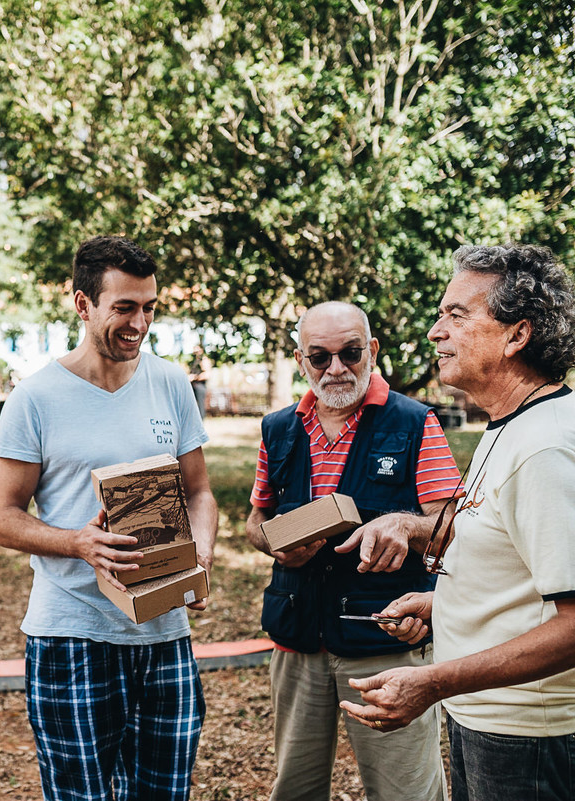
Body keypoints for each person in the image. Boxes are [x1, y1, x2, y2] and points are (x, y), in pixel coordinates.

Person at [340, 244, 575, 801]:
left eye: (456, 314)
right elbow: (511, 559)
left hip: (527, 735)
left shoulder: (544, 446)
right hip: (488, 718)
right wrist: (440, 606)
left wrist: (431, 681)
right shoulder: (510, 425)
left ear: (516, 335)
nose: (434, 331)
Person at [0, 235, 218, 801]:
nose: (139, 324)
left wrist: (201, 557)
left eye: (149, 308)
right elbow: (3, 518)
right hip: (72, 635)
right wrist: (78, 544)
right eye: (124, 308)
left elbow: (201, 493)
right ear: (82, 304)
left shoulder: (169, 383)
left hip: (165, 634)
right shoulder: (35, 398)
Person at [245, 301, 462, 801]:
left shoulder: (414, 423)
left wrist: (405, 526)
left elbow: (454, 525)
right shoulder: (278, 429)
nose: (336, 368)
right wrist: (278, 546)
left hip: (385, 643)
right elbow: (256, 521)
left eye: (350, 353)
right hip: (297, 642)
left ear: (373, 351)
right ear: (301, 360)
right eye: (320, 357)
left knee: (405, 792)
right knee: (294, 790)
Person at [188, 346, 211, 418]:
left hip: (200, 386)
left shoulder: (204, 360)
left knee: (201, 405)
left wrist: (194, 377)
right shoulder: (194, 361)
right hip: (192, 386)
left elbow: (207, 374)